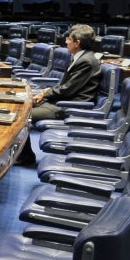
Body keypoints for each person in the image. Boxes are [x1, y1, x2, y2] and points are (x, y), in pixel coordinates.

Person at [17, 24, 102, 165]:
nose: (66, 42)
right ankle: (24, 155)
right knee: (21, 106)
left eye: (69, 39)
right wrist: (45, 91)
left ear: (77, 43)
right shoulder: (81, 57)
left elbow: (67, 90)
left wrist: (45, 94)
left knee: (22, 115)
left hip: (69, 106)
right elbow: (67, 86)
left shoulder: (86, 61)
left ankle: (26, 156)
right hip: (63, 101)